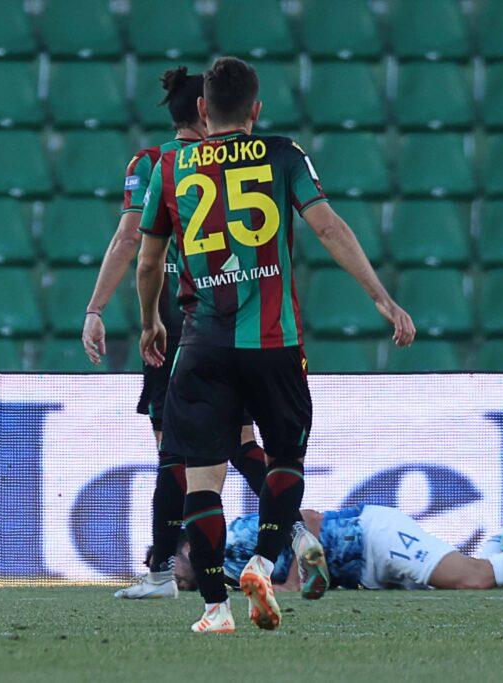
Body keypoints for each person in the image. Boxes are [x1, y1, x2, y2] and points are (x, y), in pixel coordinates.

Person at [137, 57, 416, 634]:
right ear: (257, 110)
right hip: (275, 344)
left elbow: (146, 260)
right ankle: (264, 562)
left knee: (202, 478)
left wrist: (148, 322)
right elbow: (330, 228)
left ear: (203, 110)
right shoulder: (283, 154)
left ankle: (215, 609)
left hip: (203, 344)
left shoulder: (167, 166)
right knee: (284, 460)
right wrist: (383, 300)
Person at [81, 67, 269, 600]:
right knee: (239, 440)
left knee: (175, 449)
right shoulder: (239, 162)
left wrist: (95, 308)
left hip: (171, 321)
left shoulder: (153, 163)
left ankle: (164, 569)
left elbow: (128, 244)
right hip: (233, 316)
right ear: (207, 110)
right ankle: (291, 528)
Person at [171, 499, 503, 608]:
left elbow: (307, 517)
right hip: (370, 573)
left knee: (475, 578)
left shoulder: (233, 537)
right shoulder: (228, 576)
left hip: (373, 535)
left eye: (171, 560)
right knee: (469, 579)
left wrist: (296, 576)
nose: (173, 572)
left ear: (189, 548)